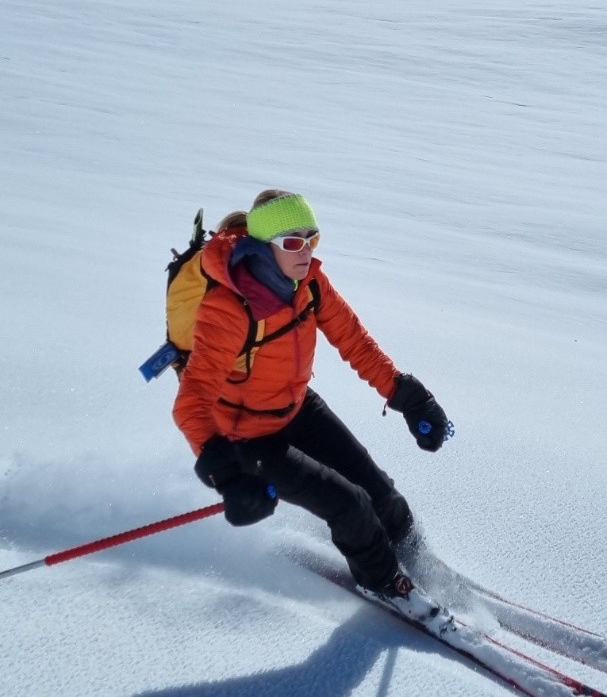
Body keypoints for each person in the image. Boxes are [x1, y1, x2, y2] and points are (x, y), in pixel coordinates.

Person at [172, 189, 452, 600]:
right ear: (264, 245)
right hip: (245, 438)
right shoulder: (228, 308)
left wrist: (409, 397)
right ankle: (387, 583)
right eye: (292, 242)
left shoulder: (310, 284)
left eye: (311, 238)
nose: (305, 251)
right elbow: (192, 401)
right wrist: (227, 475)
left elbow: (354, 341)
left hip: (297, 409)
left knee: (383, 495)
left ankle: (417, 559)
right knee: (351, 506)